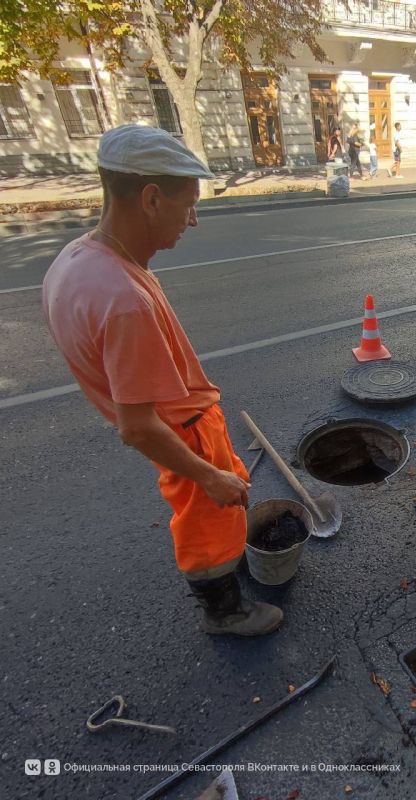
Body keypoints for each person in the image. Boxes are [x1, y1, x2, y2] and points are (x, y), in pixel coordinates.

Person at [41, 125, 283, 637]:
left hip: (186, 422)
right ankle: (225, 612)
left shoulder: (79, 260)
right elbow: (137, 426)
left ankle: (228, 564)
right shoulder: (124, 299)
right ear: (151, 199)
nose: (192, 221)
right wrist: (207, 474)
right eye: (188, 205)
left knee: (222, 506)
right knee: (207, 525)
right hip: (182, 431)